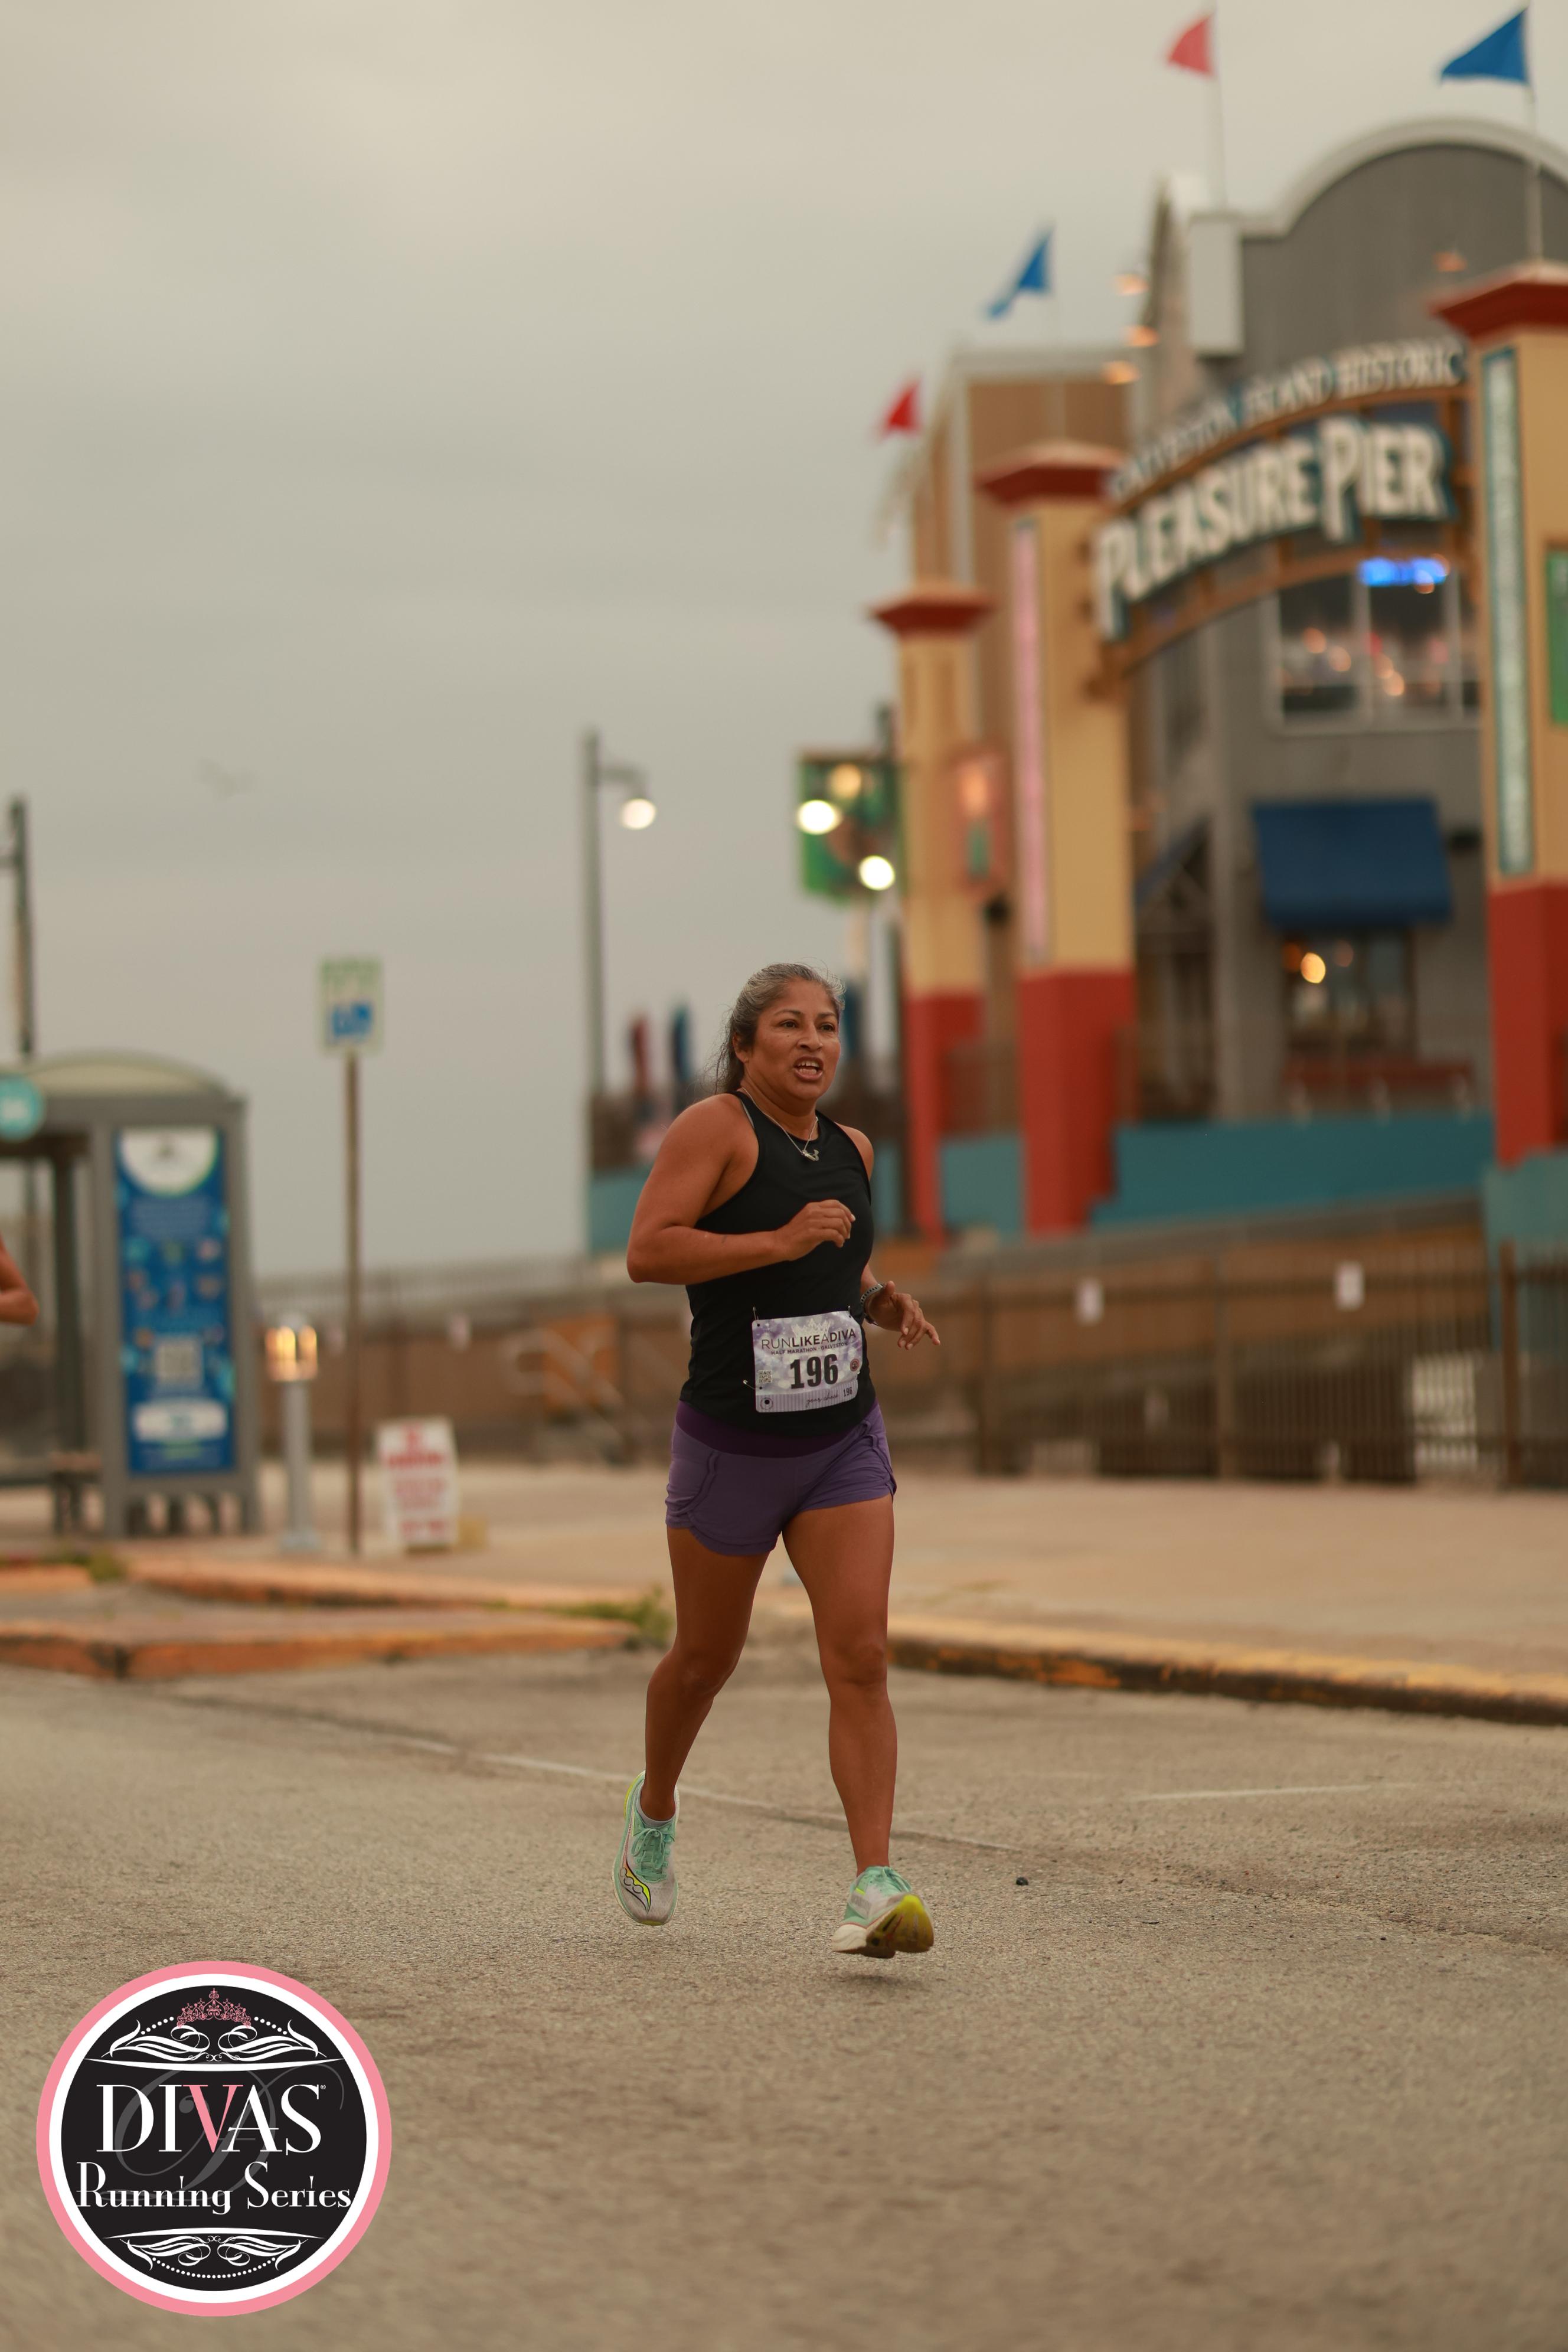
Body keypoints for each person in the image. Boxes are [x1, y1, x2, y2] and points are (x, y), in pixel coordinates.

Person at [620, 962, 941, 1958]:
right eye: (790, 1026)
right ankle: (655, 1811)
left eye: (828, 1025)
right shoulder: (715, 1130)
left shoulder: (853, 1147)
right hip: (734, 1445)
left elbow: (834, 1252)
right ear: (746, 1045)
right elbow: (648, 1250)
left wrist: (875, 1295)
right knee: (703, 1662)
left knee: (863, 1657)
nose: (813, 1042)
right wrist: (777, 1240)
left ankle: (874, 1884)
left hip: (841, 1438)